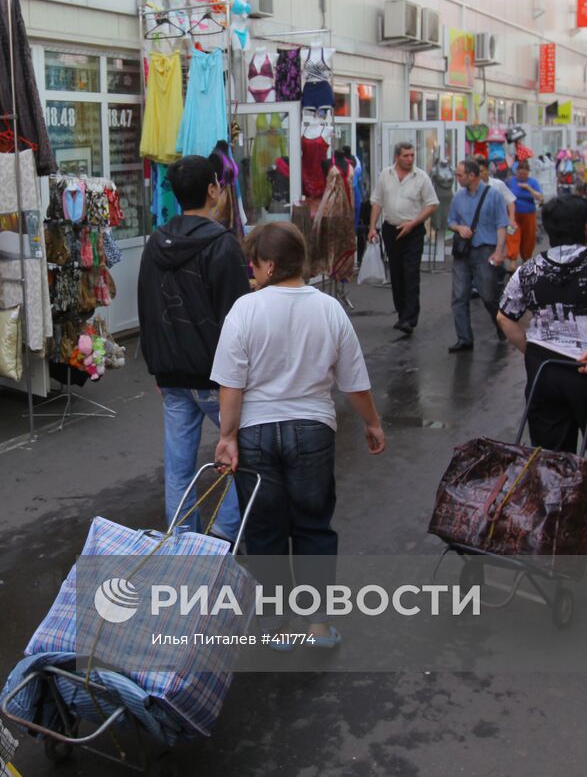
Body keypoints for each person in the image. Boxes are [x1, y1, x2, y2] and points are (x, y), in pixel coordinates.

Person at [211, 222, 386, 646]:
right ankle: (319, 625)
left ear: (269, 265)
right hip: (312, 430)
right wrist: (372, 422)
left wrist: (227, 436)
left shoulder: (245, 310)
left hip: (254, 432)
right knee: (313, 527)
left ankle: (279, 627)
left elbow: (231, 384)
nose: (252, 270)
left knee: (265, 531)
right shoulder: (328, 309)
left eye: (255, 263)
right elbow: (354, 382)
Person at [497, 196, 587, 562]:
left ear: (548, 230)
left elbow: (505, 317)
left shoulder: (528, 271)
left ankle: (555, 532)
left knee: (551, 455)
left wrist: (532, 352)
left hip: (545, 373)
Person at [137, 155, 250, 539]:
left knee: (179, 467)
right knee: (235, 453)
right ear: (213, 190)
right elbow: (236, 320)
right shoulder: (224, 246)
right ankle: (226, 533)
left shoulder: (156, 243)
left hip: (171, 374)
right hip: (217, 377)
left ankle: (183, 539)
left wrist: (156, 365)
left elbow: (147, 308)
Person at [368, 141, 439, 335]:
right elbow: (377, 202)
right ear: (397, 157)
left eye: (412, 156)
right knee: (397, 273)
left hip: (413, 231)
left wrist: (414, 223)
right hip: (392, 229)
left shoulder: (421, 177)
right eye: (405, 156)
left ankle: (410, 318)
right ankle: (401, 313)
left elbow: (432, 205)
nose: (409, 159)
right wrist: (372, 227)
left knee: (411, 273)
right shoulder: (386, 175)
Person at [447, 159, 510, 352]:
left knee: (488, 295)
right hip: (463, 252)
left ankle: (502, 327)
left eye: (460, 175)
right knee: (459, 296)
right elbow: (451, 221)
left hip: (485, 250)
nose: (457, 178)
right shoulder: (458, 196)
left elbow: (501, 224)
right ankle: (464, 338)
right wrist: (459, 228)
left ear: (472, 176)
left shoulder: (493, 195)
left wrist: (499, 251)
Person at [505, 161, 544, 262]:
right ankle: (512, 260)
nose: (521, 175)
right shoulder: (510, 181)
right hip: (513, 215)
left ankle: (525, 259)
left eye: (524, 173)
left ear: (528, 173)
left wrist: (528, 188)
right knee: (512, 235)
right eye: (519, 173)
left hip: (529, 214)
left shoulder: (533, 182)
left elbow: (540, 198)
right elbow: (503, 194)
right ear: (516, 172)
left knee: (528, 238)